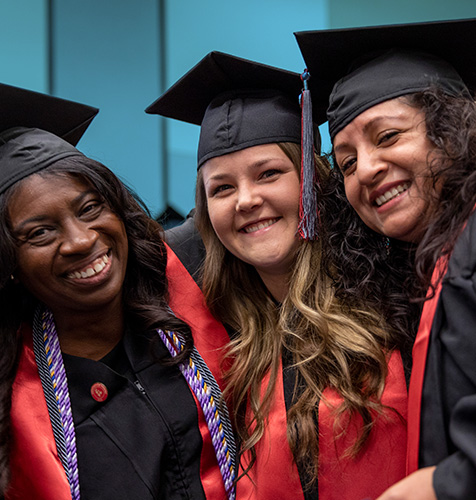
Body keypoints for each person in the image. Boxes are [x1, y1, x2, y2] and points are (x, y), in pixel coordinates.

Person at [147, 51, 410, 500]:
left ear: (314, 180)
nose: (245, 200)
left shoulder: (395, 292)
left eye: (268, 173)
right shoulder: (235, 341)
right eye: (222, 188)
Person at [0, 81, 235, 500]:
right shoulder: (2, 409)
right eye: (40, 232)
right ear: (6, 264)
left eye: (90, 208)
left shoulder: (199, 289)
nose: (80, 240)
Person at [296, 17, 476, 500]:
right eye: (347, 161)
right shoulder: (423, 269)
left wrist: (442, 485)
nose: (368, 170)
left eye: (389, 136)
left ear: (451, 129)